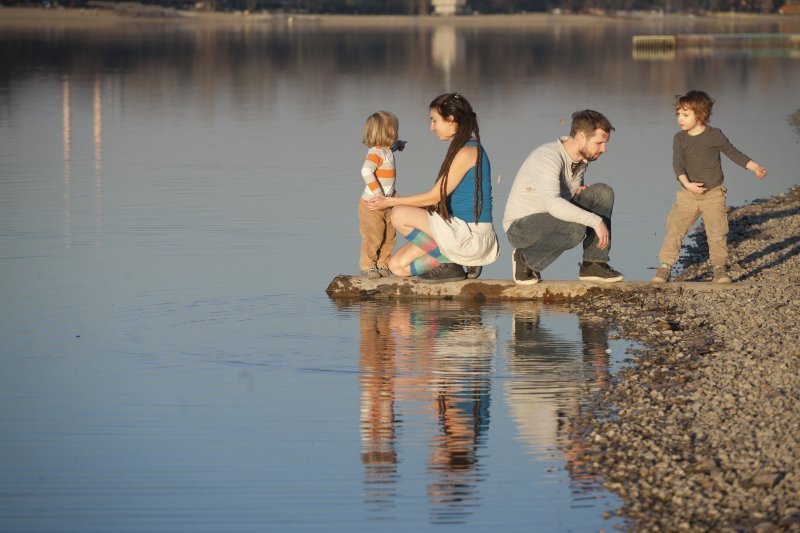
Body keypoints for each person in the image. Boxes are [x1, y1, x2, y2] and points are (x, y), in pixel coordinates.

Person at [366, 93, 500, 284]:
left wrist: (389, 201)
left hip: (471, 237)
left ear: (451, 119)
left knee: (399, 214)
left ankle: (449, 262)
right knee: (397, 266)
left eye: (434, 120)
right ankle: (450, 261)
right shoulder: (461, 148)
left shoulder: (468, 152)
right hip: (457, 231)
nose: (431, 127)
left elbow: (434, 197)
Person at [652, 90, 767, 284]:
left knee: (717, 233)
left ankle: (720, 269)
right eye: (678, 114)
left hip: (714, 194)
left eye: (685, 114)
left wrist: (755, 167)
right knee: (675, 229)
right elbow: (678, 165)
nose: (680, 119)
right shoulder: (679, 138)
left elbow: (733, 153)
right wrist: (687, 184)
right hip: (687, 195)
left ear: (701, 115)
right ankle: (665, 267)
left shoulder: (715, 135)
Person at [503, 110, 624, 285]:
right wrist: (596, 221)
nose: (603, 149)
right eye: (599, 143)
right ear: (581, 138)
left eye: (605, 144)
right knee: (575, 228)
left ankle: (593, 264)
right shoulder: (547, 156)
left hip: (553, 219)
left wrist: (575, 192)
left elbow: (565, 196)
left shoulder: (581, 159)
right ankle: (525, 259)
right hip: (521, 228)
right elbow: (553, 204)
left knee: (602, 193)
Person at [358, 111, 406, 279]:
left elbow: (391, 148)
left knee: (389, 235)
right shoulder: (375, 152)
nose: (396, 135)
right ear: (384, 134)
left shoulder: (386, 150)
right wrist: (378, 194)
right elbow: (366, 171)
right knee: (374, 236)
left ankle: (382, 262)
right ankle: (368, 265)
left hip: (387, 202)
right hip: (372, 204)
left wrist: (398, 145)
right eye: (394, 133)